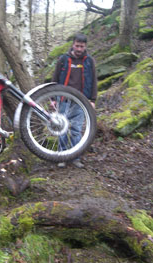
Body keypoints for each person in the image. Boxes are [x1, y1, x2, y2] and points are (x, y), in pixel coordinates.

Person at [52, 33, 97, 169]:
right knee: (62, 129)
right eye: (77, 46)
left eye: (82, 46)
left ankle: (76, 157)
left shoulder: (89, 61)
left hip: (81, 101)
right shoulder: (63, 59)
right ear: (73, 45)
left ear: (85, 46)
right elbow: (55, 78)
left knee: (77, 130)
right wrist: (53, 98)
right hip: (63, 99)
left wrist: (93, 100)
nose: (79, 49)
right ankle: (62, 157)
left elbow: (94, 80)